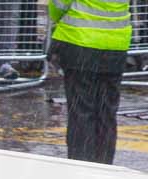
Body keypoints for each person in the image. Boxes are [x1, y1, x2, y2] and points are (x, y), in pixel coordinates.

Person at [48, 0, 130, 163]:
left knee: (81, 112)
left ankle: (81, 165)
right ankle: (103, 165)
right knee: (106, 113)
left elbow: (58, 5)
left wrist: (57, 20)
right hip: (116, 45)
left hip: (80, 43)